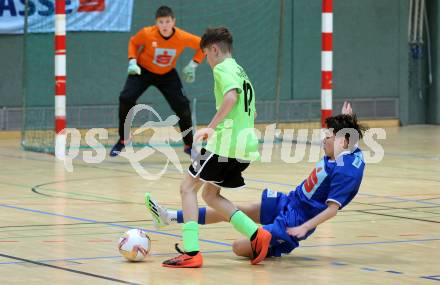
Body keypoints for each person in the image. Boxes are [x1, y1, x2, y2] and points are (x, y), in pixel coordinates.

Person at [146, 102, 367, 259]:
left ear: (342, 141)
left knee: (237, 248)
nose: (323, 140)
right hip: (291, 201)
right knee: (238, 209)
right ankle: (171, 216)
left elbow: (332, 210)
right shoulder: (345, 149)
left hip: (297, 220)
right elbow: (349, 140)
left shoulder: (347, 171)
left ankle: (271, 246)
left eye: (328, 137)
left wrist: (304, 227)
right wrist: (346, 119)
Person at [151, 27, 272, 268]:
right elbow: (252, 109)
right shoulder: (240, 70)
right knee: (209, 194)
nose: (206, 60)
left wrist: (211, 127)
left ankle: (191, 251)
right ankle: (257, 235)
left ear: (214, 50)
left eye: (206, 54)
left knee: (187, 188)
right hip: (245, 147)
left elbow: (231, 98)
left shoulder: (222, 68)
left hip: (224, 145)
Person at [110, 5, 204, 157]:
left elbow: (202, 45)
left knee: (183, 107)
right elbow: (133, 42)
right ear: (156, 23)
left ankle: (189, 145)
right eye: (161, 22)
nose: (164, 26)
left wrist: (193, 65)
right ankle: (123, 139)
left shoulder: (182, 36)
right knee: (125, 98)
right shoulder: (147, 33)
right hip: (142, 71)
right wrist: (132, 61)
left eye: (167, 22)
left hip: (167, 74)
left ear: (174, 21)